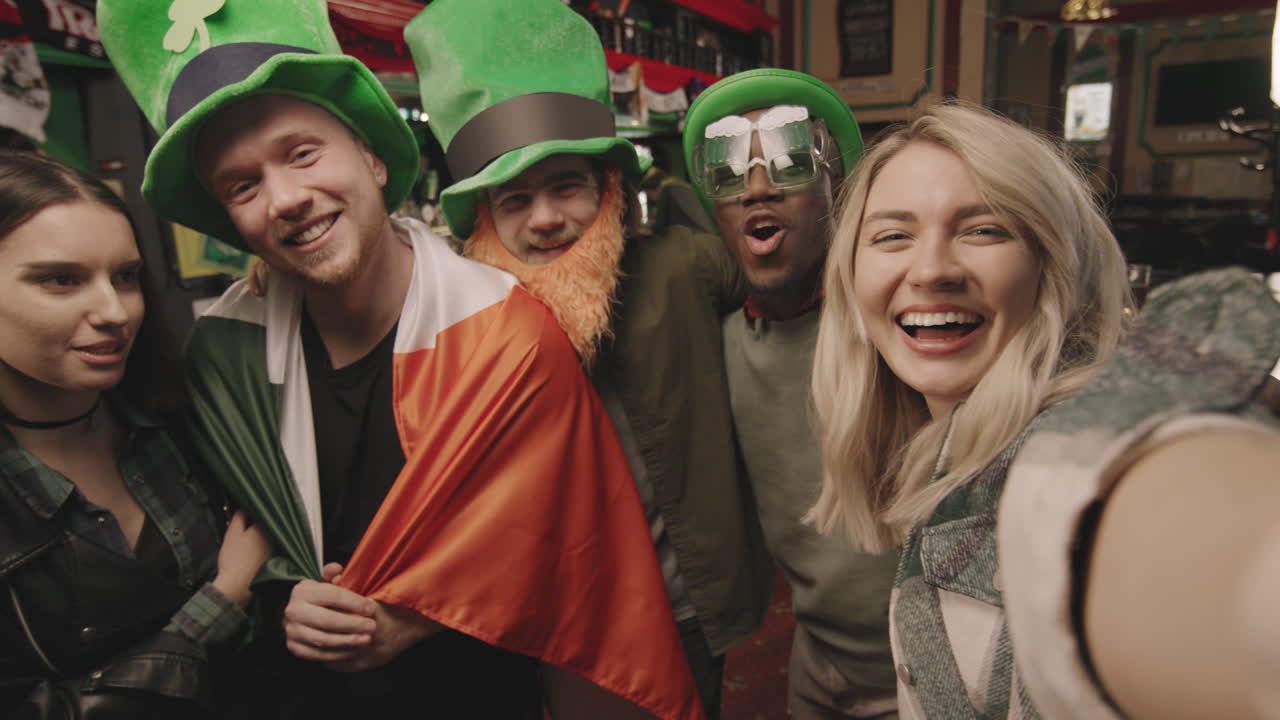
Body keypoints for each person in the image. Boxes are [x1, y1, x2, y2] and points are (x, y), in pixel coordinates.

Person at [98, 1, 702, 719]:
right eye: (244, 185)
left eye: (302, 153)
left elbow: (566, 549)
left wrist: (419, 613)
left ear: (373, 158)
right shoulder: (223, 353)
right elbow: (226, 537)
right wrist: (286, 592)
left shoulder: (507, 333)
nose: (286, 198)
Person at [811, 101, 1280, 719]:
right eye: (893, 236)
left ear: (1052, 263)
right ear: (850, 275)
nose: (931, 270)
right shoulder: (940, 448)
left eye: (984, 230)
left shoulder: (1073, 451)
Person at [405, 2, 774, 716]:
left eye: (566, 186)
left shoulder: (682, 266)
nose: (544, 218)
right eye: (515, 199)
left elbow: (792, 277)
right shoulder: (466, 318)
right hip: (571, 620)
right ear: (485, 220)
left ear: (609, 192)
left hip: (690, 603)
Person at [0, 149, 271, 718]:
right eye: (61, 280)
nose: (114, 310)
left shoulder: (175, 422)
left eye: (125, 276)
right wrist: (222, 603)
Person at [682, 69, 899, 719]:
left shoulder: (899, 327)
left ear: (836, 188)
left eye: (790, 160)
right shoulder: (719, 346)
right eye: (726, 172)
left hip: (927, 664)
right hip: (816, 660)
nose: (756, 187)